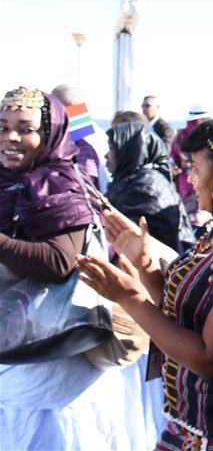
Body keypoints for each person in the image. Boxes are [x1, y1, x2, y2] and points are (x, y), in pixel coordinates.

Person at [78, 119, 213, 450]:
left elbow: (209, 358)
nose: (189, 180)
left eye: (195, 168)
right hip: (190, 429)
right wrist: (144, 265)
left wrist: (129, 297)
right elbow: (182, 313)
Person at [0, 87, 151, 450]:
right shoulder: (8, 179)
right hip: (15, 351)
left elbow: (59, 261)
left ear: (50, 132)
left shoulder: (58, 183)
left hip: (53, 358)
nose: (11, 137)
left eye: (25, 128)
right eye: (3, 127)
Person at [106, 121, 195, 253]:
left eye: (111, 148)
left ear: (128, 150)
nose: (106, 155)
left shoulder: (146, 186)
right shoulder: (130, 180)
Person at [51, 83, 111, 193]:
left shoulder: (81, 137)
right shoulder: (94, 132)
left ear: (69, 105)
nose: (51, 112)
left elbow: (86, 181)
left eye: (53, 106)